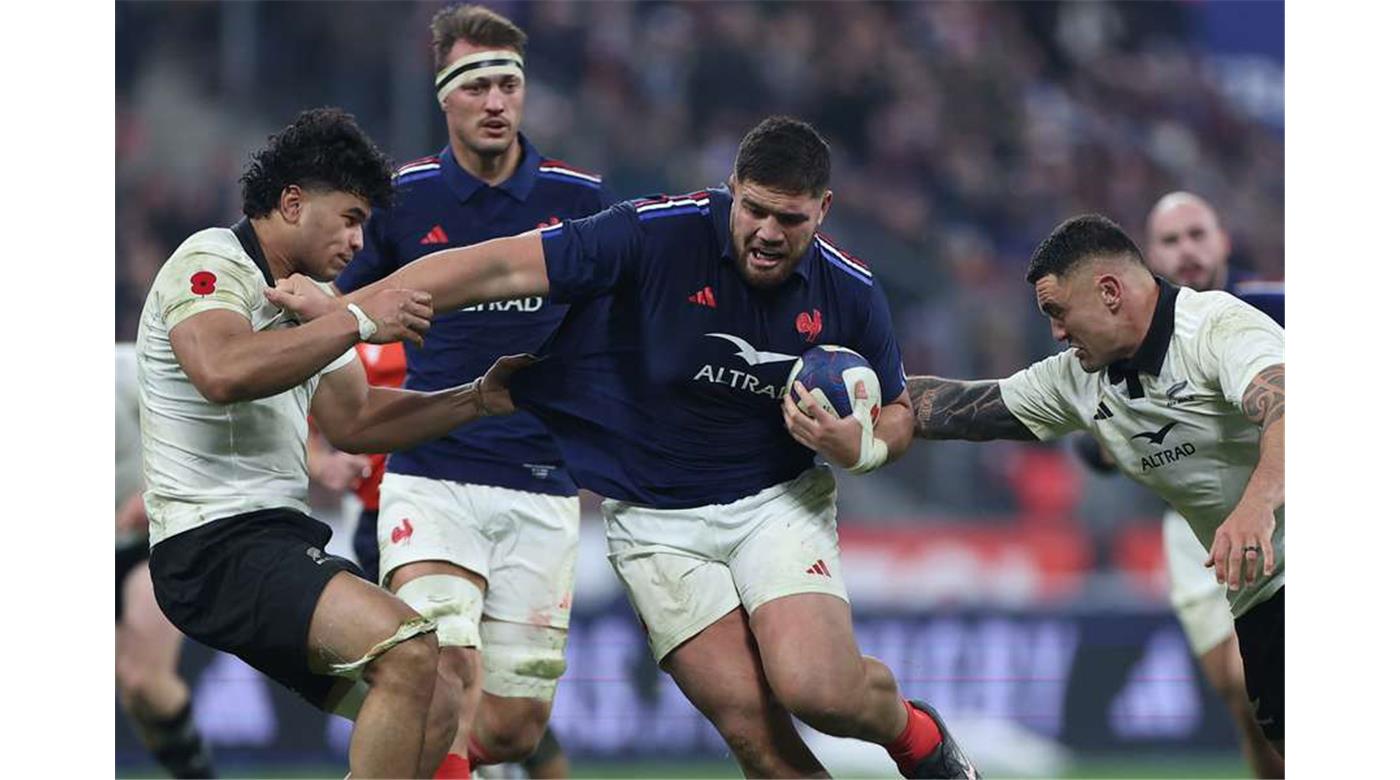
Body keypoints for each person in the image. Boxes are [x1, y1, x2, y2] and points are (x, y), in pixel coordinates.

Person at [269, 115, 979, 779]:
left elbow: (896, 412)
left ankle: (918, 739)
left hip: (775, 503)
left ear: (823, 210)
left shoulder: (850, 290)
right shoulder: (654, 236)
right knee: (755, 737)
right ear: (731, 191)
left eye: (789, 219)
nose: (766, 232)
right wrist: (355, 313)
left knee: (819, 690)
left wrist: (860, 448)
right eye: (753, 210)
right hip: (655, 521)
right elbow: (495, 269)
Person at [135, 107, 534, 778]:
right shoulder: (210, 261)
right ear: (292, 202)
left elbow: (358, 422)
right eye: (349, 217)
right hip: (211, 545)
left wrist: (477, 398)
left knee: (437, 696)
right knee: (408, 651)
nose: (358, 241)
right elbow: (222, 372)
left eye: (364, 225)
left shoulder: (311, 300)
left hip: (277, 540)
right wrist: (353, 318)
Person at [332, 6, 606, 776]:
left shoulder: (580, 199)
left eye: (508, 84)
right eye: (477, 84)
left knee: (515, 726)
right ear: (444, 96)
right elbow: (335, 315)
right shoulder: (402, 199)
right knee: (445, 671)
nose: (495, 101)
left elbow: (614, 331)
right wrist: (328, 420)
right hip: (431, 473)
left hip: (541, 483)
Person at [905, 215, 1285, 760]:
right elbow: (962, 408)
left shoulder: (1215, 326)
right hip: (1262, 588)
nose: (1057, 331)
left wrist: (1255, 506)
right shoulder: (1075, 378)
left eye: (1059, 313)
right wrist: (866, 394)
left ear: (1109, 292)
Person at [1071, 192, 1283, 777]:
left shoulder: (1274, 307)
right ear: (1149, 258)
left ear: (1224, 241)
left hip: (1278, 513)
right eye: (1170, 240)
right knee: (1247, 706)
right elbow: (1089, 441)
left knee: (1264, 680)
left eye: (1197, 234)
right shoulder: (1124, 338)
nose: (1187, 251)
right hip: (1195, 534)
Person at [117, 343, 216, 779]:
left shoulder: (123, 370)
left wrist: (152, 492)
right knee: (130, 688)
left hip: (149, 544)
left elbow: (193, 428)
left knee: (145, 682)